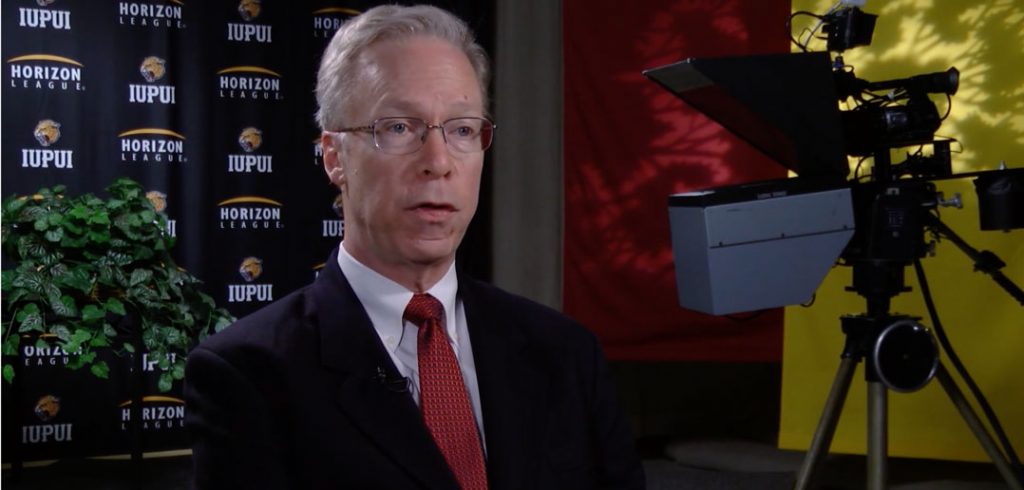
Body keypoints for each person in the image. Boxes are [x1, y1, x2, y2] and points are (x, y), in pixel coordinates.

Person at [184, 5, 645, 489]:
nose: (439, 162)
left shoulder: (566, 352)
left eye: (463, 129)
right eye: (399, 128)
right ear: (334, 156)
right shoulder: (248, 374)